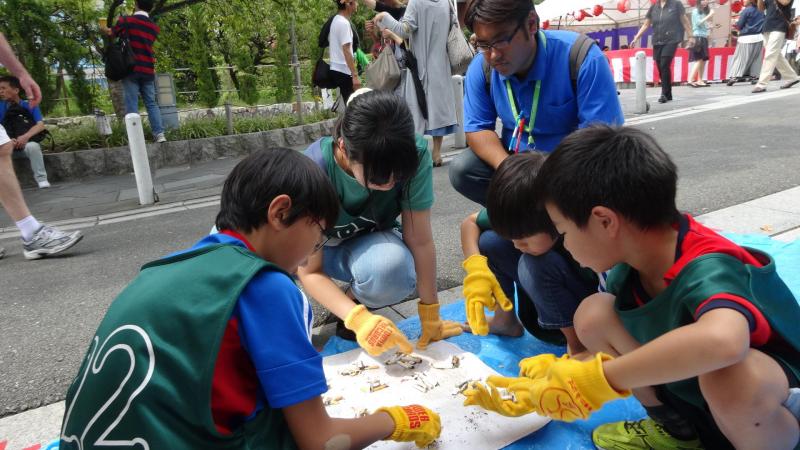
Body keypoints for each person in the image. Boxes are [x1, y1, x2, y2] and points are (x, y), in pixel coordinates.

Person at [59, 147, 441, 449]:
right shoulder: (267, 287)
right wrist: (396, 419)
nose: (314, 249)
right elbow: (322, 441)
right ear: (281, 211)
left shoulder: (163, 268)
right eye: (318, 233)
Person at [463, 125, 800, 450]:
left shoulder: (707, 263)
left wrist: (598, 380)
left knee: (732, 380)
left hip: (774, 407)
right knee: (594, 314)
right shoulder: (630, 260)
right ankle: (678, 431)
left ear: (604, 221)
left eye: (563, 232)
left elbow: (723, 341)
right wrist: (563, 373)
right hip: (700, 396)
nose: (565, 245)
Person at [297, 89, 461, 356]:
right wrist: (359, 320)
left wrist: (431, 315)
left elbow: (419, 240)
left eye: (398, 178)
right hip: (308, 254)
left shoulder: (414, 153)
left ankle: (349, 303)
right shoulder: (314, 172)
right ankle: (346, 312)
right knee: (277, 302)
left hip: (364, 245)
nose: (389, 184)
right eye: (379, 177)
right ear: (343, 149)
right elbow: (310, 271)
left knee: (392, 270)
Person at [449, 0, 623, 206]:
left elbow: (602, 145)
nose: (493, 55)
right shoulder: (482, 67)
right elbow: (477, 128)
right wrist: (511, 169)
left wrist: (549, 178)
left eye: (501, 40)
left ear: (531, 24)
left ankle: (557, 225)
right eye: (484, 44)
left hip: (573, 171)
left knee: (608, 178)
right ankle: (529, 222)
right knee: (464, 169)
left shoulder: (582, 58)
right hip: (518, 168)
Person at [460, 152, 599, 354]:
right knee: (491, 241)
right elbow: (469, 223)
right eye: (513, 239)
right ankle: (505, 320)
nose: (517, 245)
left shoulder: (580, 234)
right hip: (541, 319)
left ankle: (577, 348)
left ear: (554, 217)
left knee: (534, 263)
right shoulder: (526, 216)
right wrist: (476, 269)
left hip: (587, 322)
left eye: (524, 239)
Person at [0, 33, 83, 261]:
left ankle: (31, 231)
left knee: (2, 149)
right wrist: (20, 72)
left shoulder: (26, 105)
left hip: (24, 141)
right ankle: (31, 232)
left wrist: (20, 74)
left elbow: (40, 124)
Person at [376, 0, 459, 167]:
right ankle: (436, 153)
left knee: (417, 109)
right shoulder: (446, 2)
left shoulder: (416, 2)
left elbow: (404, 30)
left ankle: (418, 153)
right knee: (438, 108)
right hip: (442, 63)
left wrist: (384, 17)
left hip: (420, 65)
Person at [100, 0, 166, 143]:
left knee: (131, 102)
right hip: (148, 70)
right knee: (151, 103)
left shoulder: (126, 20)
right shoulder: (153, 27)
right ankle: (159, 134)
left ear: (135, 4)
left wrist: (104, 29)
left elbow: (112, 33)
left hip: (131, 69)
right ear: (151, 7)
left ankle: (136, 138)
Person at [631, 0, 695, 103]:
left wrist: (691, 36)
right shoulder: (654, 7)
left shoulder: (676, 4)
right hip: (657, 40)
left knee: (665, 64)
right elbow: (646, 24)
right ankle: (668, 93)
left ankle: (664, 94)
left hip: (672, 39)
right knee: (660, 65)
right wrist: (636, 37)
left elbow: (684, 21)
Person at [0, 76, 50, 188]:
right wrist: (7, 141)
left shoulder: (30, 104)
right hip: (6, 146)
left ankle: (42, 179)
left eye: (3, 88)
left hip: (26, 144)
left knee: (33, 146)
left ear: (16, 90)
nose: (1, 91)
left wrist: (25, 137)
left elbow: (40, 125)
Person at [752, 0, 799, 93]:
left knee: (770, 54)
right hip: (767, 26)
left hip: (779, 26)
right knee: (776, 55)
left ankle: (762, 83)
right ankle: (792, 77)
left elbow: (785, 2)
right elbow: (761, 9)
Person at [328, 0, 361, 105]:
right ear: (348, 3)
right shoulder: (343, 23)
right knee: (354, 107)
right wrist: (355, 75)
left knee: (351, 105)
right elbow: (346, 50)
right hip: (344, 70)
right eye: (355, 1)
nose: (357, 4)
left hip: (338, 69)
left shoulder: (336, 20)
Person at [727, 0, 766, 86]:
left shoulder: (746, 10)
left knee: (740, 58)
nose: (743, 0)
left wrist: (736, 23)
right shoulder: (761, 11)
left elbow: (740, 25)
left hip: (746, 37)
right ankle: (755, 77)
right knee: (756, 59)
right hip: (759, 37)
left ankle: (734, 76)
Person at [688, 1, 714, 87]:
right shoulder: (696, 11)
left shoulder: (702, 12)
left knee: (703, 59)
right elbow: (698, 23)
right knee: (699, 59)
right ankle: (690, 79)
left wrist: (710, 27)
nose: (706, 1)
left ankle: (700, 80)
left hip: (703, 37)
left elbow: (703, 25)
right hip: (698, 37)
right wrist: (709, 15)